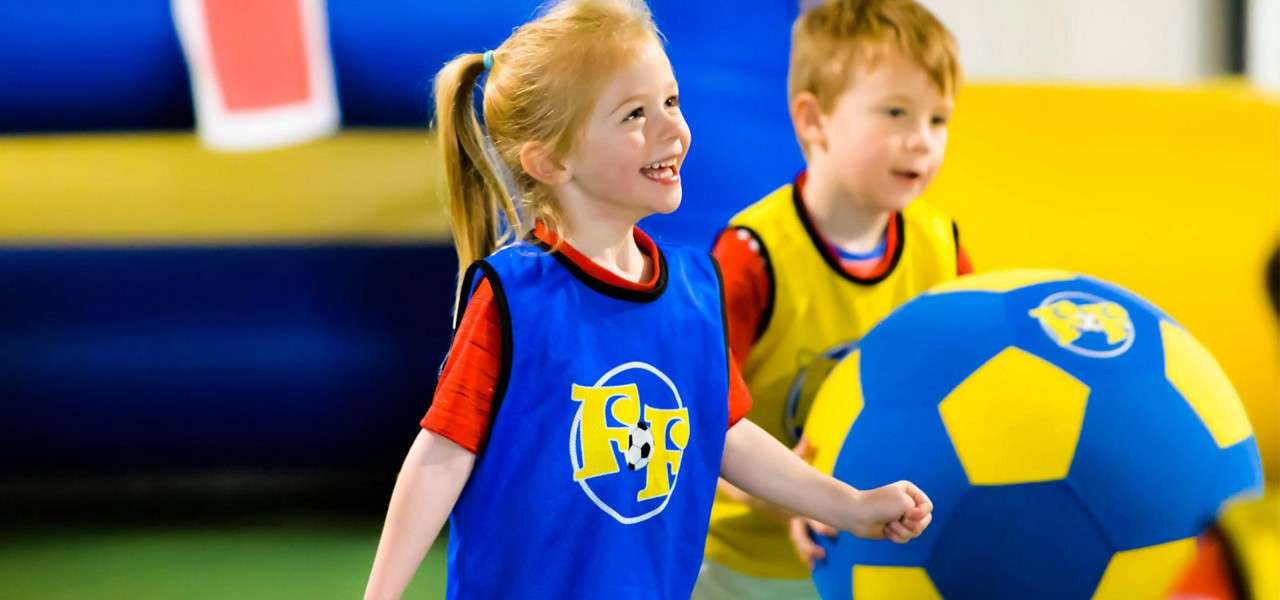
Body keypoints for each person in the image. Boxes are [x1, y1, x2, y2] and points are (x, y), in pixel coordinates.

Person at [362, 1, 933, 599]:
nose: (672, 129)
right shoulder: (514, 298)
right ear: (551, 160)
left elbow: (723, 433)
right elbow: (443, 452)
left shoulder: (694, 290)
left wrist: (851, 506)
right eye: (635, 113)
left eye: (671, 101)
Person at [699, 1, 971, 597]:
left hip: (891, 559)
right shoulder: (753, 256)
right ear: (814, 120)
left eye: (937, 119)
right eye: (896, 112)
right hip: (742, 567)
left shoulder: (941, 246)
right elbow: (693, 424)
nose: (921, 142)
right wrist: (799, 499)